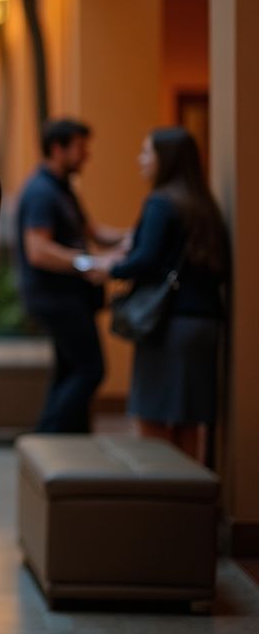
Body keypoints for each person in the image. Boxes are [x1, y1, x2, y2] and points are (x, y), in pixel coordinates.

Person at [107, 127, 229, 463]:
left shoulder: (161, 202)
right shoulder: (204, 204)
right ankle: (188, 504)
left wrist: (109, 269)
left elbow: (146, 260)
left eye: (147, 153)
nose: (140, 160)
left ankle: (161, 503)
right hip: (204, 322)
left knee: (154, 417)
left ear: (166, 159)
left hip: (168, 325)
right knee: (189, 421)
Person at [16, 118, 126, 434]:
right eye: (80, 148)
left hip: (67, 297)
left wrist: (133, 237)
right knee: (91, 369)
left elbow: (92, 231)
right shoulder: (41, 191)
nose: (86, 155)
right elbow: (38, 249)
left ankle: (62, 444)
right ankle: (47, 437)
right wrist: (87, 263)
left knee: (69, 370)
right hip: (54, 298)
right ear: (57, 149)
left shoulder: (62, 189)